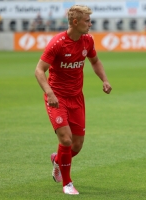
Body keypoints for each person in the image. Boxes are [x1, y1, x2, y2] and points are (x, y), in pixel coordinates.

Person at [34, 5, 112, 195]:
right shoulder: (57, 43)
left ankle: (57, 160)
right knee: (66, 140)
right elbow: (39, 70)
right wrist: (49, 93)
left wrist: (105, 80)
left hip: (77, 98)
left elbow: (95, 61)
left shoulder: (88, 40)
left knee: (77, 145)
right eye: (87, 21)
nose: (90, 24)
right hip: (57, 98)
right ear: (75, 22)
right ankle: (67, 183)